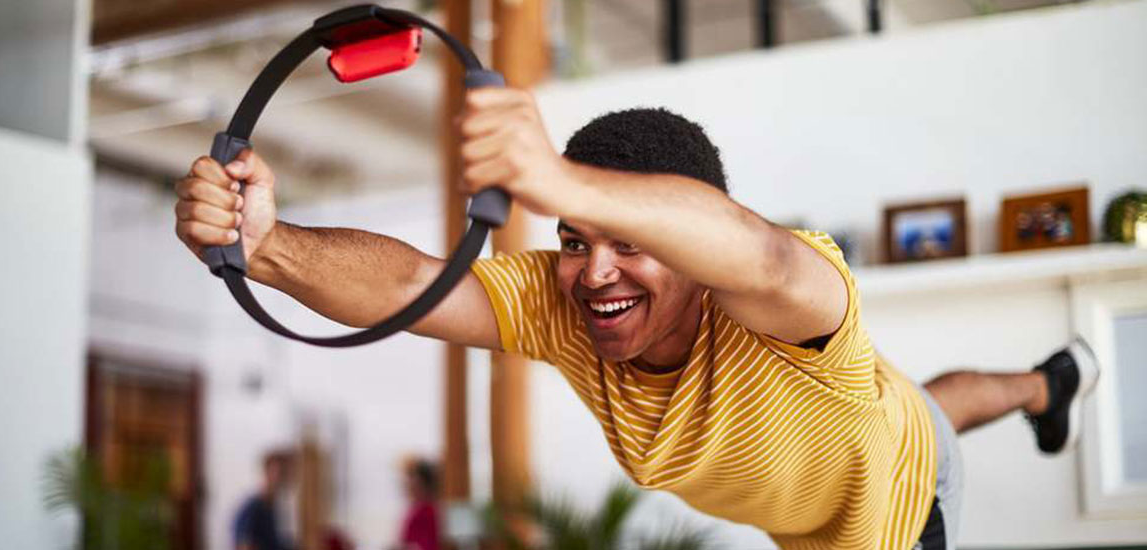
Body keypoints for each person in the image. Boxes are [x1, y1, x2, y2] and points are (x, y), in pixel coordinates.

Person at [176, 89, 1099, 550]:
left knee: (937, 427)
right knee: (931, 405)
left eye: (628, 241)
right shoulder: (564, 300)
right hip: (867, 437)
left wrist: (558, 180)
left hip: (897, 519)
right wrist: (266, 245)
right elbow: (415, 284)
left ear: (695, 254)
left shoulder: (788, 297)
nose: (594, 272)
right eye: (575, 239)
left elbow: (761, 253)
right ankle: (1047, 385)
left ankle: (1045, 382)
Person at [232, 450, 295, 550]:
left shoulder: (273, 509)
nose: (285, 477)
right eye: (281, 472)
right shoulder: (252, 508)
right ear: (267, 472)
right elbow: (244, 545)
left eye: (287, 472)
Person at [394, 458, 440, 550]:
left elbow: (427, 545)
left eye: (412, 478)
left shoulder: (428, 511)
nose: (407, 483)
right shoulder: (418, 508)